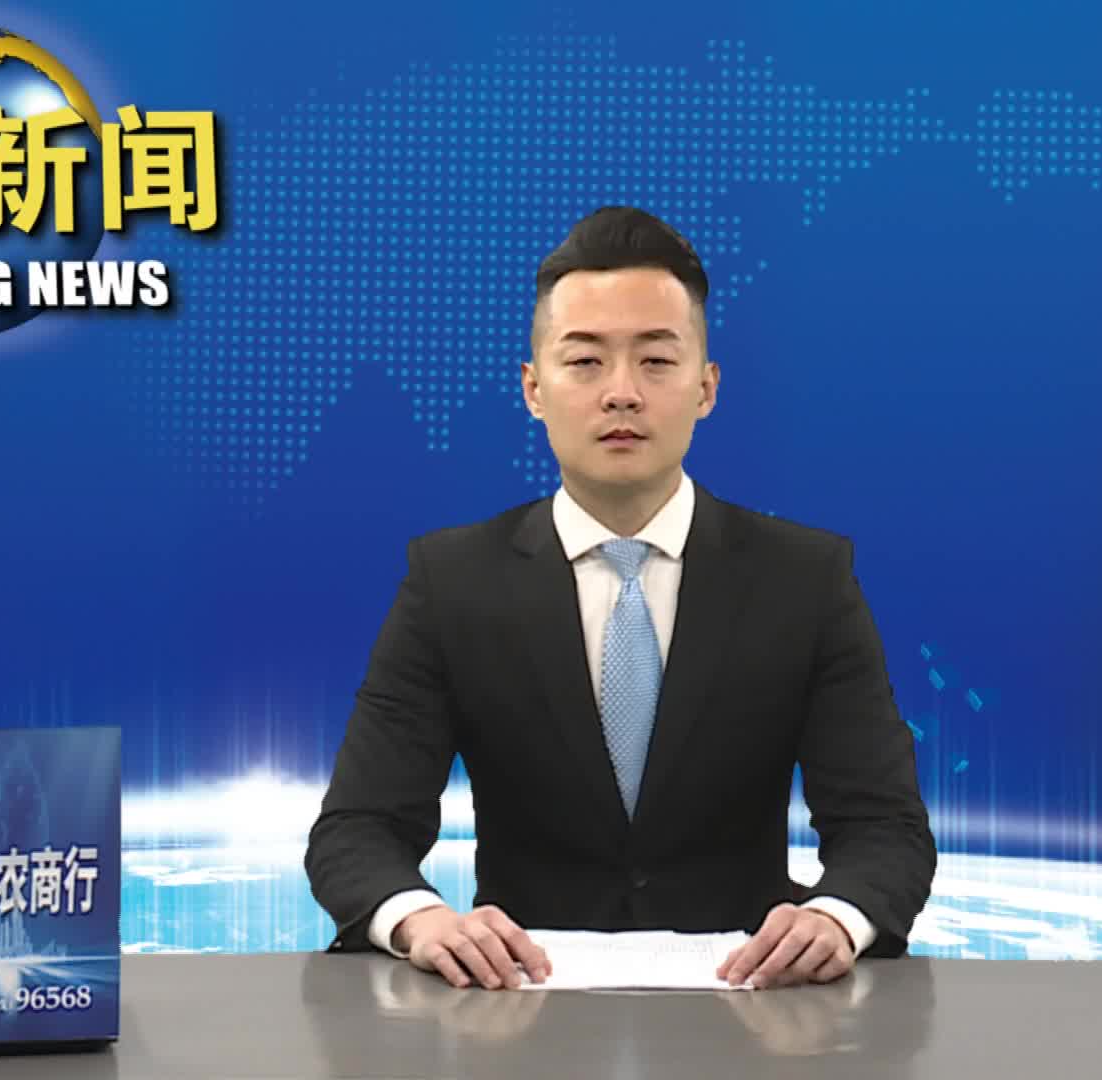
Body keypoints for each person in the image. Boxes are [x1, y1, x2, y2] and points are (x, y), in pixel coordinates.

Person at [305, 206, 935, 990]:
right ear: (533, 388)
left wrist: (835, 919)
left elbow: (886, 827)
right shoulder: (451, 580)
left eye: (657, 361)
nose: (622, 394)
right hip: (514, 1007)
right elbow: (357, 828)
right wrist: (423, 921)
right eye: (585, 361)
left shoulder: (806, 579)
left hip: (755, 1006)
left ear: (707, 387)